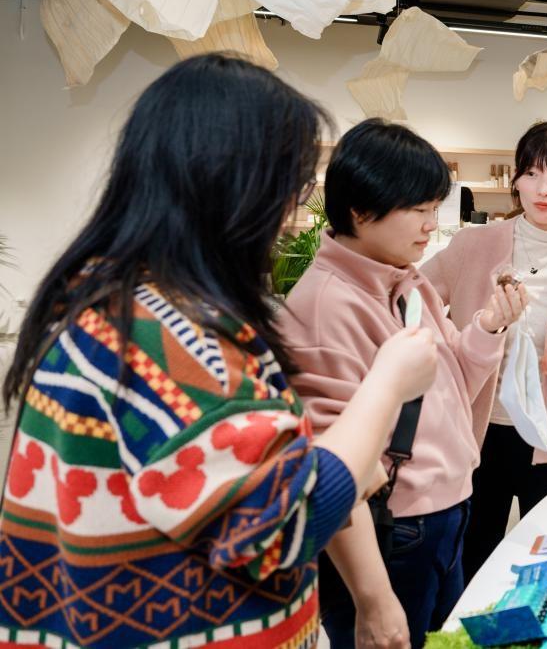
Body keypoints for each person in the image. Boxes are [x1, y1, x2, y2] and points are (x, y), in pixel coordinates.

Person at [0, 55, 439, 648]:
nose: (291, 216)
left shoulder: (116, 301)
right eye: (289, 189)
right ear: (227, 186)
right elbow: (286, 521)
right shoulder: (156, 335)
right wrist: (387, 386)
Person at [279, 119, 527, 649]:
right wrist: (373, 598)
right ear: (360, 210)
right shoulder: (324, 306)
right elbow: (330, 473)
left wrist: (488, 326)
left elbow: (454, 382)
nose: (432, 225)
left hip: (447, 509)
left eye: (435, 208)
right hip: (395, 529)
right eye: (419, 209)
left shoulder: (405, 280)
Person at [422, 121, 547, 581]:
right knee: (470, 562)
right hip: (478, 434)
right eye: (532, 173)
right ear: (515, 179)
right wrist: (455, 349)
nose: (543, 189)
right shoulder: (473, 244)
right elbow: (416, 302)